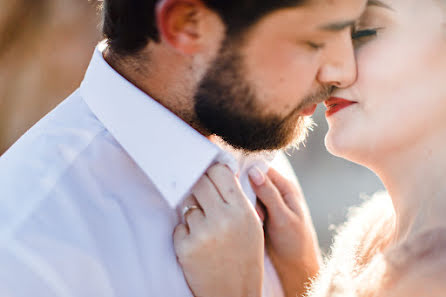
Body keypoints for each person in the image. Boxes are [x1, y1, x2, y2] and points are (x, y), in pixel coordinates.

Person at [0, 0, 367, 296]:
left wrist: (306, 282)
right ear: (187, 24)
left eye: (353, 30)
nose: (343, 71)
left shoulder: (246, 131)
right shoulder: (24, 250)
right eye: (314, 41)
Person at [173, 0, 446, 296]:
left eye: (363, 33)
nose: (333, 70)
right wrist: (301, 278)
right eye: (326, 35)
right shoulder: (372, 232)